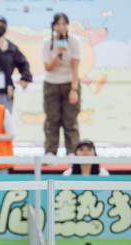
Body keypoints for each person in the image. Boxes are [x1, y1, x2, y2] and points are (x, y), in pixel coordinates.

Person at [43, 12, 82, 155]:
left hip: (70, 83)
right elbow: (48, 67)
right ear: (53, 26)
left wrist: (74, 89)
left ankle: (72, 151)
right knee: (52, 120)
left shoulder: (74, 41)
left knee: (70, 120)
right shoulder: (47, 42)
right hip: (51, 83)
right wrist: (57, 53)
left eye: (64, 24)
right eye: (58, 24)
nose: (61, 27)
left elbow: (75, 67)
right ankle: (50, 152)